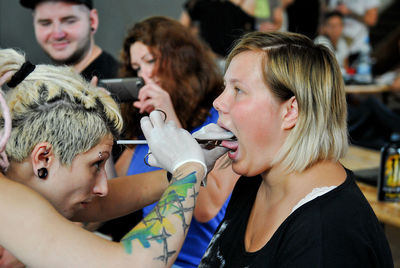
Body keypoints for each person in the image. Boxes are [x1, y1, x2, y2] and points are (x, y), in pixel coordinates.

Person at [170, 31, 391, 266]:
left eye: (238, 90)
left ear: (290, 111)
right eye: (226, 87)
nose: (219, 103)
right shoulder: (256, 181)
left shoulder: (325, 237)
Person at [0, 48, 212, 267]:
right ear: (43, 158)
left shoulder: (22, 179)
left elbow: (102, 204)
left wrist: (190, 164)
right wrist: (188, 170)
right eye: (96, 164)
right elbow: (134, 264)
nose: (103, 187)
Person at [112, 16, 240, 268]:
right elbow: (112, 192)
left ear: (182, 59)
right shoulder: (147, 123)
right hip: (150, 257)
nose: (144, 74)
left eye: (150, 61)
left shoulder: (220, 119)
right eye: (137, 68)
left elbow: (206, 209)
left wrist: (169, 115)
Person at [19, 0, 119, 81]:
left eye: (70, 21)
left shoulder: (122, 85)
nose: (57, 34)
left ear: (92, 21)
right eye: (45, 23)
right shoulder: (39, 86)